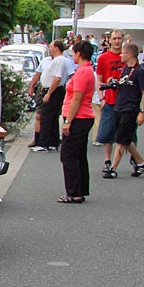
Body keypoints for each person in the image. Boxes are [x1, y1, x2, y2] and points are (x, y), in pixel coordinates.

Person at [104, 43, 144, 178]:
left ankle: (113, 168)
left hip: (130, 109)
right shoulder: (125, 70)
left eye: (123, 53)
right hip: (119, 106)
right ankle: (142, 162)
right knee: (126, 139)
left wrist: (142, 112)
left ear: (130, 55)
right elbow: (122, 85)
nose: (120, 55)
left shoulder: (140, 72)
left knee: (120, 139)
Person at [58, 41, 96, 203]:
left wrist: (68, 122)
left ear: (79, 53)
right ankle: (80, 189)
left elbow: (77, 99)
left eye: (73, 53)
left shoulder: (82, 72)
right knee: (79, 154)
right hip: (83, 116)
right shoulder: (86, 70)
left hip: (79, 117)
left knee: (68, 155)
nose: (72, 56)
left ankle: (73, 192)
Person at [95, 30, 126, 172]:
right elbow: (99, 79)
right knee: (107, 134)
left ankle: (133, 159)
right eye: (114, 38)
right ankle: (107, 160)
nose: (117, 41)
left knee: (128, 133)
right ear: (109, 40)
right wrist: (101, 98)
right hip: (110, 100)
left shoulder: (127, 57)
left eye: (119, 38)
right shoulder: (103, 58)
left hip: (126, 101)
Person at [31, 40, 71, 151]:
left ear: (57, 48)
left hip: (52, 90)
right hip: (53, 90)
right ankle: (53, 141)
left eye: (52, 46)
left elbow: (57, 78)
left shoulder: (59, 60)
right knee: (53, 117)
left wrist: (49, 93)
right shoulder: (61, 60)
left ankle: (43, 143)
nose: (50, 48)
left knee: (46, 116)